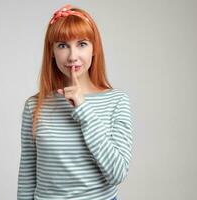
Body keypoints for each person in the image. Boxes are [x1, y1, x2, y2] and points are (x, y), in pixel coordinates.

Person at [17, 4, 133, 200]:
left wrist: (83, 107)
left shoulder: (117, 101)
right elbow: (27, 174)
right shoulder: (34, 106)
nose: (72, 56)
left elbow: (117, 173)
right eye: (62, 45)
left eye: (82, 44)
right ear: (51, 52)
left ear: (94, 48)